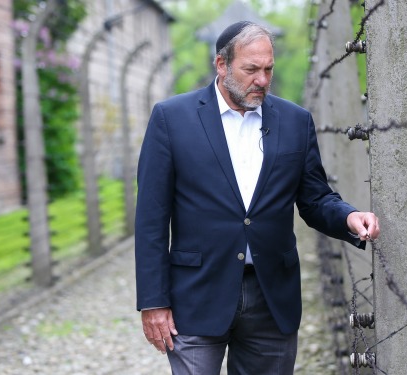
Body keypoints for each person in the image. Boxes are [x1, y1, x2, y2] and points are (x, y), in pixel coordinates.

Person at [135, 21, 380, 374]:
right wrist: (153, 302)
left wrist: (348, 218)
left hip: (271, 297)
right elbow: (151, 219)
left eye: (268, 69)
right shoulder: (171, 118)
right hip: (195, 295)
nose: (262, 80)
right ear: (221, 65)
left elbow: (314, 199)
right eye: (251, 69)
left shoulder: (296, 121)